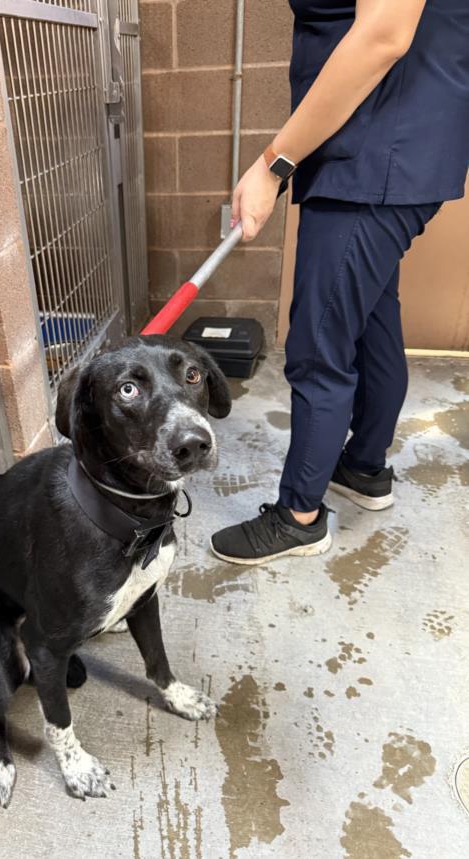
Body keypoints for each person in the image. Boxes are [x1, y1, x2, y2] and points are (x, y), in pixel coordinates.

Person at [211, 0, 469, 565]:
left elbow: (383, 35)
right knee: (373, 320)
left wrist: (273, 164)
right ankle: (363, 469)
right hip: (382, 150)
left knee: (318, 347)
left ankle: (298, 517)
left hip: (374, 153)